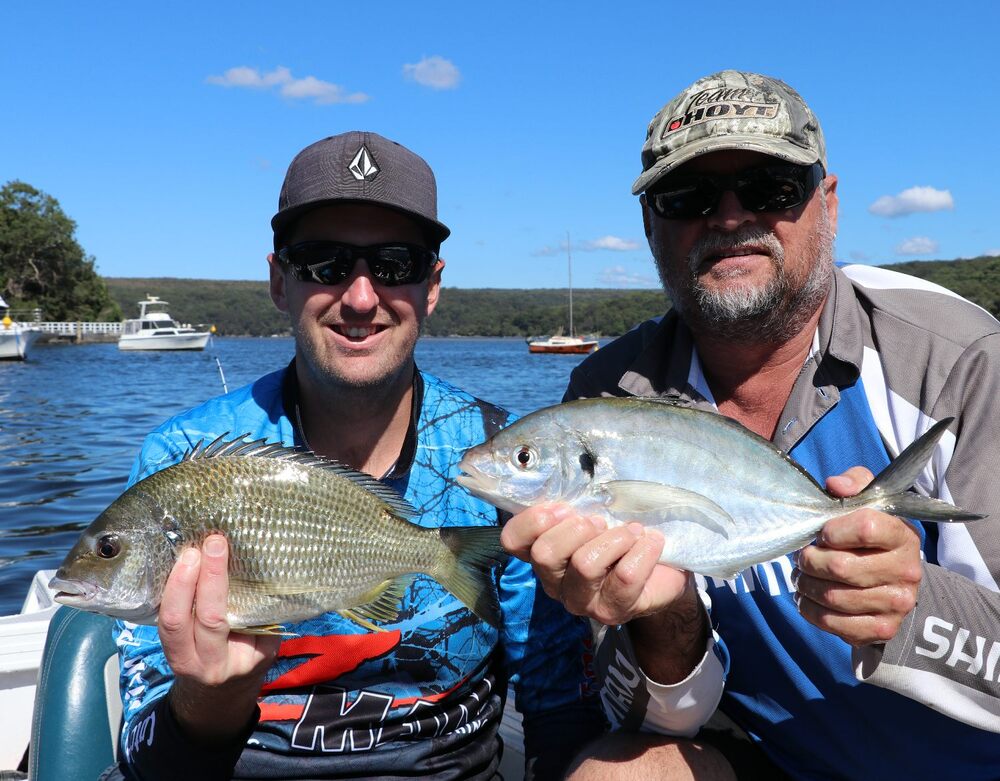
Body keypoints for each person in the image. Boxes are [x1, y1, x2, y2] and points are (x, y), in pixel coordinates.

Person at [501, 70, 1000, 780]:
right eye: (688, 197)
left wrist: (912, 608)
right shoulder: (609, 396)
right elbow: (658, 718)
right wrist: (664, 614)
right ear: (651, 227)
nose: (730, 217)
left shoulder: (955, 359)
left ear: (827, 205)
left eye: (770, 188)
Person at [104, 131, 604, 781]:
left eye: (395, 264)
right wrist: (212, 699)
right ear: (280, 281)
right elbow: (142, 755)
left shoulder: (505, 459)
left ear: (432, 286)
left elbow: (559, 709)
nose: (362, 296)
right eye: (324, 262)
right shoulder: (181, 461)